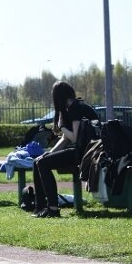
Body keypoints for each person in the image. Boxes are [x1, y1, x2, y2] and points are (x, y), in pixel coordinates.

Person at [32, 81, 98, 218]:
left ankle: (53, 208)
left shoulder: (76, 108)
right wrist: (50, 154)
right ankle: (41, 207)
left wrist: (62, 127)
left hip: (86, 153)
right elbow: (65, 139)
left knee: (43, 164)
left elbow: (74, 137)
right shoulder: (69, 108)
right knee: (38, 161)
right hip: (80, 150)